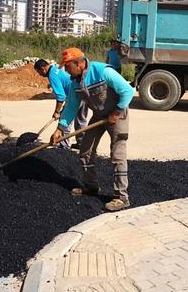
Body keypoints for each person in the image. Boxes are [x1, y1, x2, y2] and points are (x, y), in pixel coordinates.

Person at [50, 47, 135, 212]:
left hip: (118, 115)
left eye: (68, 67)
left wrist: (116, 112)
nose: (66, 71)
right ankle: (91, 186)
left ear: (78, 63)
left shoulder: (103, 72)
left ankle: (121, 197)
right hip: (99, 116)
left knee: (117, 155)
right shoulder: (76, 83)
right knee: (86, 150)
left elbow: (127, 91)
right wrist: (60, 128)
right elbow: (71, 107)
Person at [34, 59, 88, 149]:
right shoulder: (55, 68)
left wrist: (57, 112)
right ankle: (82, 143)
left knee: (64, 120)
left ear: (43, 68)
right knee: (81, 120)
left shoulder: (51, 75)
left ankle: (64, 145)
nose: (39, 74)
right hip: (83, 91)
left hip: (73, 95)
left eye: (38, 72)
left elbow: (61, 96)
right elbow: (63, 80)